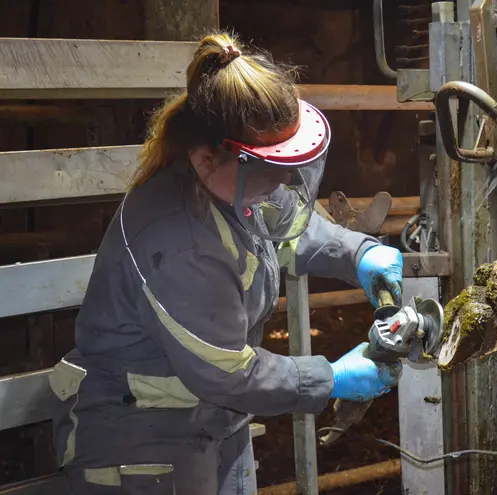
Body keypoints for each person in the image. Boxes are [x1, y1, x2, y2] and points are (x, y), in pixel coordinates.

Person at [47, 31, 403, 495]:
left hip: (209, 416)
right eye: (269, 167)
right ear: (205, 156)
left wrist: (358, 253)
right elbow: (231, 373)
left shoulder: (232, 186)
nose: (283, 182)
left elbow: (282, 224)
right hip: (139, 437)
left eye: (289, 164)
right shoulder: (179, 242)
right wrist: (329, 377)